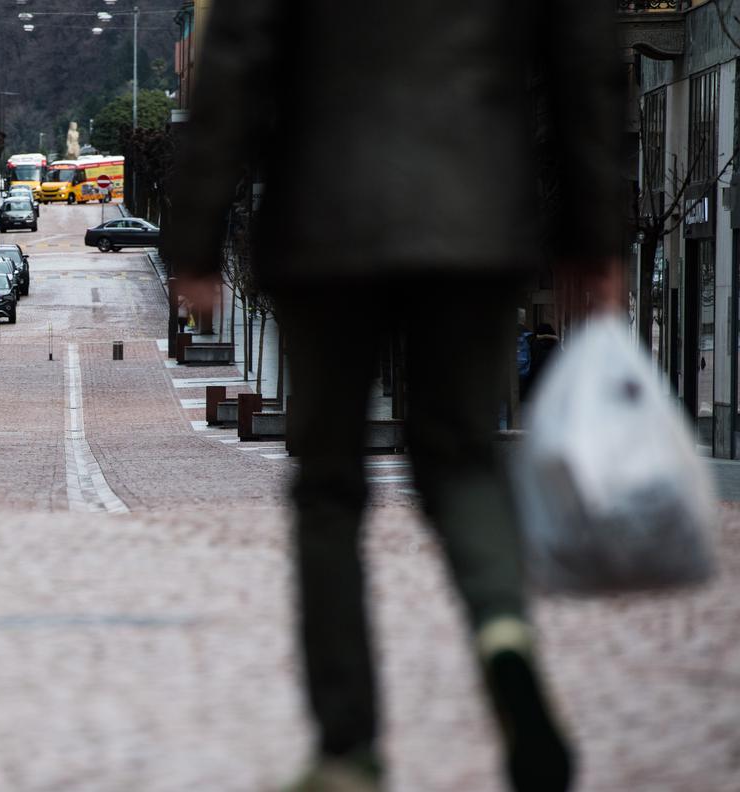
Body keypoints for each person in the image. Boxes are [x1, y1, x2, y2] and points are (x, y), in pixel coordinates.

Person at [162, 3, 624, 791]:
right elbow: (584, 53)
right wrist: (595, 230)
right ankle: (502, 633)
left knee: (331, 487)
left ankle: (347, 748)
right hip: (477, 217)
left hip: (325, 222)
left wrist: (194, 240)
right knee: (465, 462)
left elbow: (232, 62)